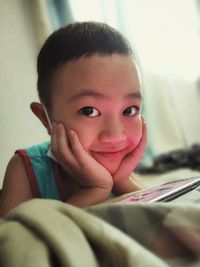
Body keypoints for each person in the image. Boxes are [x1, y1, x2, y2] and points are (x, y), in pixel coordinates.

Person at [0, 21, 147, 217]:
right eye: (89, 111)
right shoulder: (26, 169)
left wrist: (121, 181)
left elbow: (156, 218)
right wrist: (95, 190)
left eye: (129, 110)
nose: (115, 135)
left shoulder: (119, 167)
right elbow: (14, 242)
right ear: (45, 119)